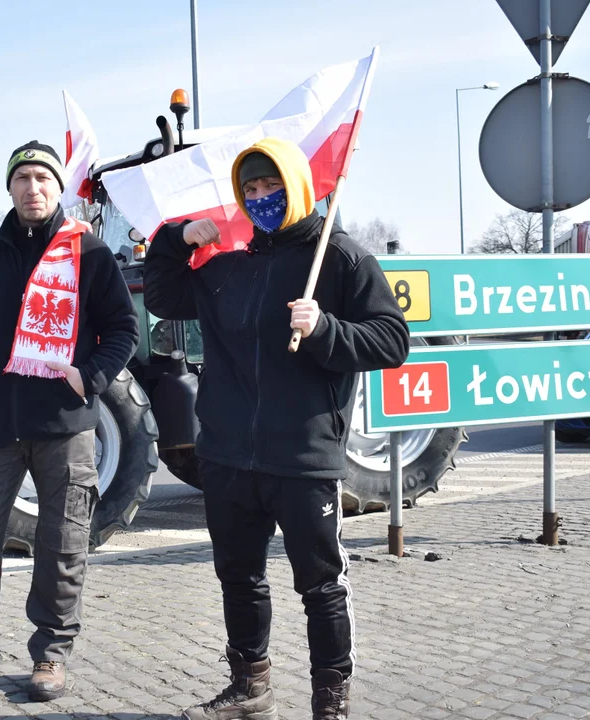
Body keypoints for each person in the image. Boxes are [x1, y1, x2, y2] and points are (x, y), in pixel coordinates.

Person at [143, 137, 410, 720]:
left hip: (303, 456)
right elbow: (162, 296)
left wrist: (326, 329)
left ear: (297, 187)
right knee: (238, 577)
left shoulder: (339, 258)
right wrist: (174, 238)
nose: (262, 198)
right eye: (252, 190)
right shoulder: (227, 267)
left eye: (272, 187)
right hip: (229, 454)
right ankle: (249, 689)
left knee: (319, 586)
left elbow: (392, 342)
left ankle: (329, 702)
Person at [0, 141, 139, 703]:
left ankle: (50, 655)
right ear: (9, 187)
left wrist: (88, 376)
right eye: (23, 178)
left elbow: (122, 329)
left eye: (43, 177)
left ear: (58, 187)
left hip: (65, 426)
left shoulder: (86, 252)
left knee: (63, 542)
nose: (33, 188)